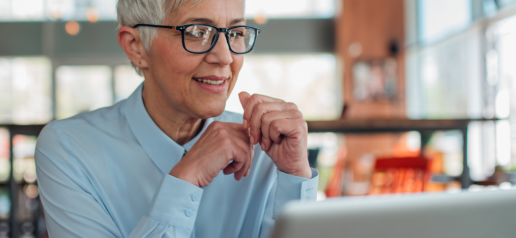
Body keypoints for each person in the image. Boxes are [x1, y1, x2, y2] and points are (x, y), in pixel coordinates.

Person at [35, 0, 318, 237]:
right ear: (136, 47)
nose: (225, 56)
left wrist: (295, 177)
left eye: (235, 33)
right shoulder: (69, 149)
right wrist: (187, 177)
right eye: (197, 31)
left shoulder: (265, 146)